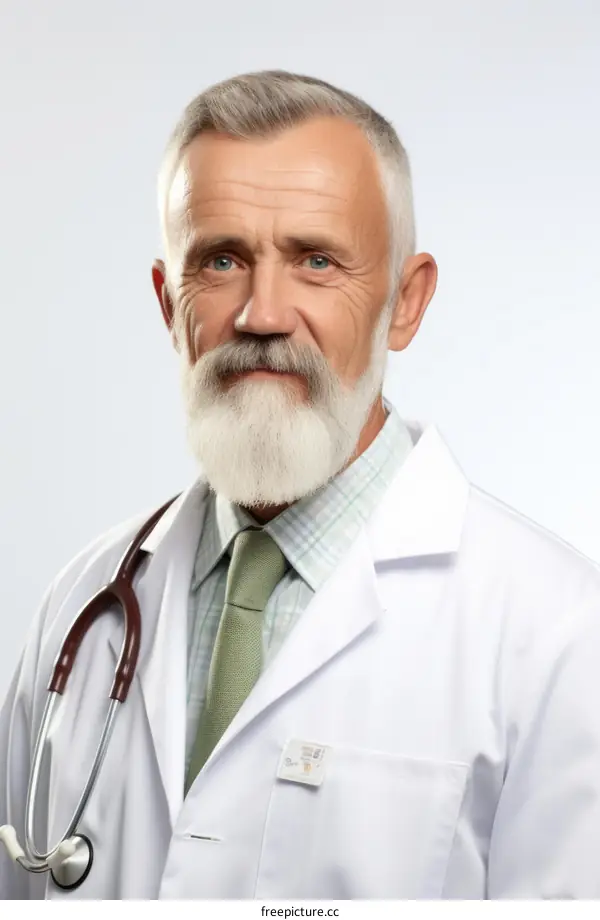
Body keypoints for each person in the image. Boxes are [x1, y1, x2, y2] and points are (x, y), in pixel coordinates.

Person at [2, 69, 600, 902]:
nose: (262, 314)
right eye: (220, 260)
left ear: (406, 300)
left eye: (316, 261)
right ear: (167, 302)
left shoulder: (560, 634)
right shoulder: (84, 604)